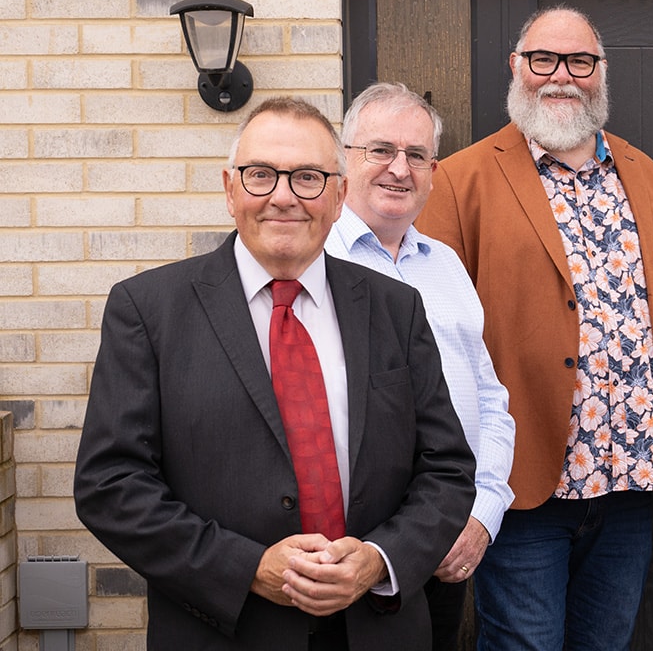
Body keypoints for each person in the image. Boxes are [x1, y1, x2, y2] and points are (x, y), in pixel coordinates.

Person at [74, 96, 476, 650]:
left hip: (375, 628)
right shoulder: (148, 310)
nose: (283, 197)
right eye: (261, 175)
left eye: (308, 177)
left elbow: (447, 468)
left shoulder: (396, 308)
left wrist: (379, 560)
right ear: (230, 188)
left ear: (339, 195)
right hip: (224, 630)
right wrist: (247, 568)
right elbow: (111, 484)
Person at [417, 5, 653, 650]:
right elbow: (434, 342)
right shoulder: (460, 180)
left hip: (633, 478)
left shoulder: (650, 179)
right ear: (515, 67)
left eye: (579, 62)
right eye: (543, 60)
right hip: (521, 485)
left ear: (600, 71)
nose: (561, 76)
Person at [325, 81, 516, 651]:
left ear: (433, 171)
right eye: (381, 150)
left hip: (446, 541)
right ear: (344, 160)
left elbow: (490, 400)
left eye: (416, 155)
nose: (399, 168)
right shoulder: (315, 263)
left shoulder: (446, 266)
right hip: (349, 549)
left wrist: (481, 515)